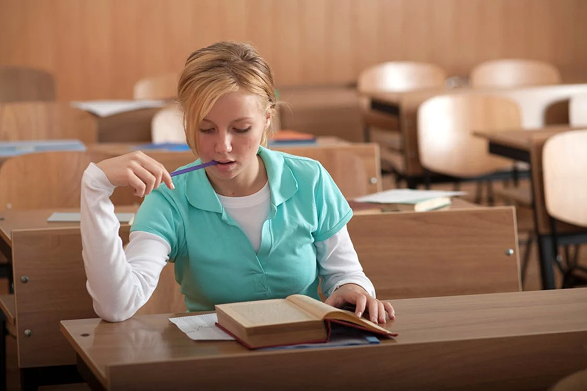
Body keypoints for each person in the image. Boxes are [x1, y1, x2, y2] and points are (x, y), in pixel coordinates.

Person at [80, 41, 395, 324]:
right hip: (212, 364)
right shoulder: (168, 199)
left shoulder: (309, 179)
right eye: (206, 129)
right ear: (187, 123)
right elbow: (116, 306)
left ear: (267, 119)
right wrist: (95, 189)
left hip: (305, 352)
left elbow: (345, 272)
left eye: (241, 128)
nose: (223, 146)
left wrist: (351, 288)